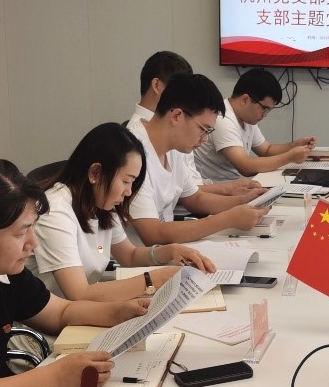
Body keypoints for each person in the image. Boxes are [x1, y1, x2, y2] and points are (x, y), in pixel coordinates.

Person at [0, 158, 158, 387]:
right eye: (21, 233)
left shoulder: (2, 275)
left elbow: (61, 313)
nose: (33, 243)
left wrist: (119, 312)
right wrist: (55, 377)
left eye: (33, 227)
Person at [32, 123, 212, 301]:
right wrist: (153, 279)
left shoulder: (100, 204)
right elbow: (79, 293)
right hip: (60, 315)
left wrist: (171, 251)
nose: (128, 192)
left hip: (83, 309)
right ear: (95, 173)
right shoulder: (55, 211)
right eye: (126, 181)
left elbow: (129, 255)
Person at [130, 74, 271, 246]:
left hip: (167, 250)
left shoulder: (175, 147)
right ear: (176, 116)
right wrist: (228, 219)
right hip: (139, 256)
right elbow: (153, 234)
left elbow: (195, 198)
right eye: (204, 129)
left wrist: (246, 201)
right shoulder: (133, 154)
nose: (205, 139)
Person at [126, 50, 262, 200]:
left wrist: (232, 191)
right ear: (157, 85)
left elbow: (190, 191)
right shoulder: (143, 139)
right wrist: (228, 190)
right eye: (178, 88)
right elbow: (182, 197)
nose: (187, 95)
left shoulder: (177, 130)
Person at [192, 67, 315, 182]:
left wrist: (295, 145)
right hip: (214, 188)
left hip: (232, 186)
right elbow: (246, 167)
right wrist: (290, 157)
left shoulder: (246, 118)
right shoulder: (223, 119)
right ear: (245, 99)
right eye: (264, 109)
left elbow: (266, 150)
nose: (265, 115)